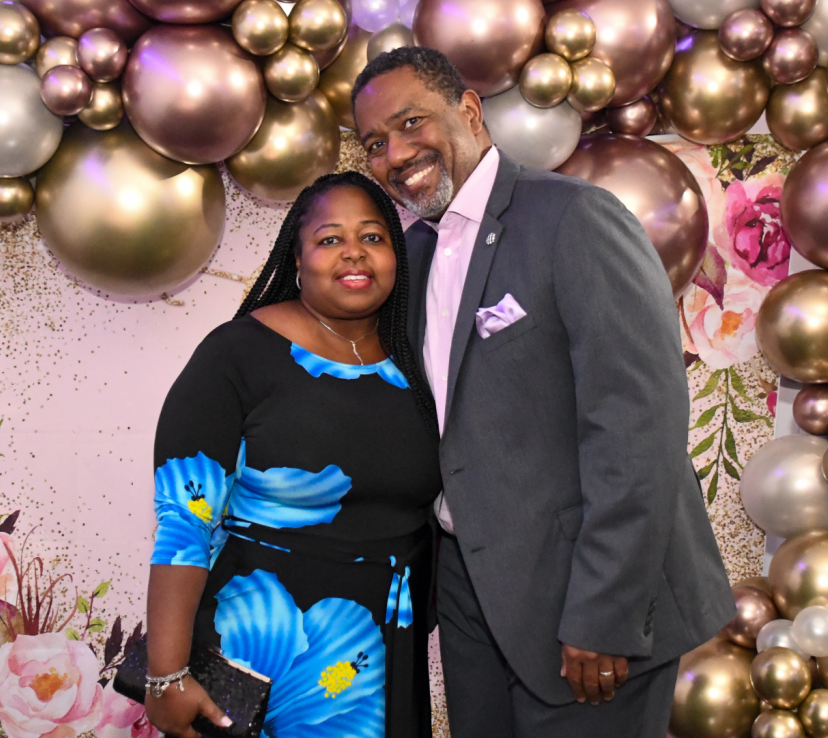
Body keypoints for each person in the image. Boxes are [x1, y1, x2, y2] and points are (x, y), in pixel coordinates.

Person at [352, 47, 736, 737]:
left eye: (411, 123)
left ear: (469, 112)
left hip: (583, 598)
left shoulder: (575, 218)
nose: (394, 154)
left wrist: (605, 611)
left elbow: (636, 426)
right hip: (474, 597)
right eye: (375, 143)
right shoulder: (409, 258)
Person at [143, 171, 442, 738]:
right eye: (330, 239)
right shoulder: (238, 353)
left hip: (380, 660)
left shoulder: (414, 363)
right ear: (297, 259)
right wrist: (166, 674)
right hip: (258, 658)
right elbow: (184, 520)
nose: (354, 252)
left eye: (373, 237)